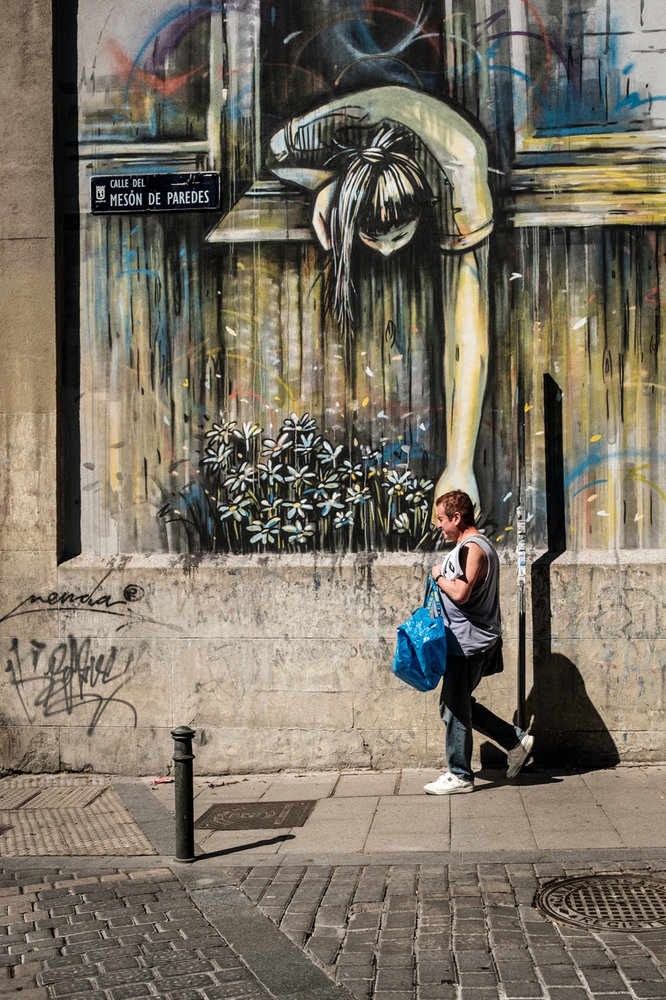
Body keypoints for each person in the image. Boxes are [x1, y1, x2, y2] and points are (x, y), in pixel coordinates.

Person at [267, 86, 493, 516]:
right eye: (372, 238)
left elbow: (468, 334)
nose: (388, 251)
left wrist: (460, 465)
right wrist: (328, 186)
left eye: (400, 236)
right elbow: (273, 150)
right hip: (356, 134)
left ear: (425, 211)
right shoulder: (321, 129)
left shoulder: (460, 174)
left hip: (444, 154)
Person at [424, 489, 533, 794]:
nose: (439, 526)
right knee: (457, 704)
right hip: (469, 641)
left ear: (457, 518)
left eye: (442, 519)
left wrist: (437, 575)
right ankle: (514, 740)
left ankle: (460, 774)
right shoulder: (477, 545)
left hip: (466, 645)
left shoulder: (472, 549)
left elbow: (461, 592)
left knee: (455, 708)